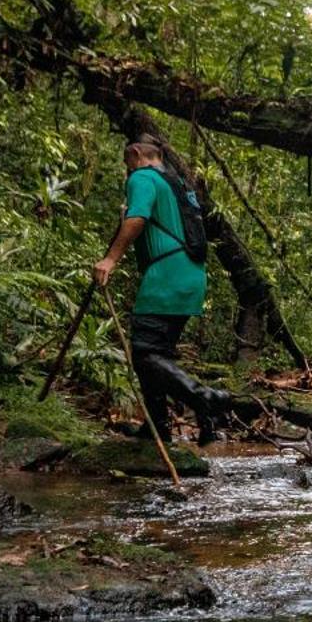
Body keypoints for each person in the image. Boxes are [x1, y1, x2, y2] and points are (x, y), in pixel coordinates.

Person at [93, 140, 240, 445]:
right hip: (191, 276)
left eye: (126, 163)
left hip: (167, 274)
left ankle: (207, 398)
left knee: (145, 353)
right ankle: (158, 428)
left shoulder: (142, 178)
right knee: (156, 354)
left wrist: (110, 259)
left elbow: (137, 219)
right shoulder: (177, 184)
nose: (127, 171)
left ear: (135, 155)